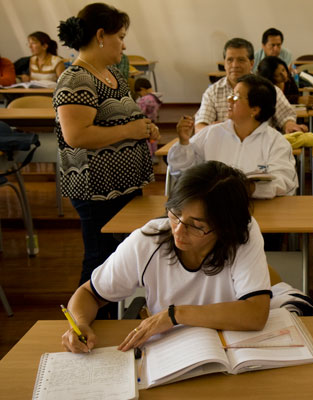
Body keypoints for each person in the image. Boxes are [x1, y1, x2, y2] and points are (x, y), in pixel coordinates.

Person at [61, 161, 271, 353]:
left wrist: (175, 315)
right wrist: (80, 323)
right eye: (175, 214)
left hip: (232, 348)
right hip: (170, 351)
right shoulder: (148, 240)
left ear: (225, 228)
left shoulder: (242, 233)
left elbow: (256, 314)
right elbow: (89, 293)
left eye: (196, 226)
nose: (178, 230)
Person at [56, 3, 158, 297]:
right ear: (101, 35)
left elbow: (122, 119)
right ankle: (82, 319)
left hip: (122, 186)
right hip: (97, 190)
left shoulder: (110, 74)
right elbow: (76, 135)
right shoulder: (77, 78)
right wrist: (130, 131)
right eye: (120, 37)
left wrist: (144, 127)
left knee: (120, 261)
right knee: (99, 261)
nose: (124, 45)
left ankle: (113, 316)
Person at [169, 74, 298, 199]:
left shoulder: (276, 142)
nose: (229, 100)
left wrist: (251, 188)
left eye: (236, 97)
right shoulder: (212, 133)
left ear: (255, 110)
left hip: (258, 207)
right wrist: (184, 143)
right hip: (213, 207)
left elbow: (285, 182)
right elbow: (182, 173)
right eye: (231, 94)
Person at [193, 38, 307, 134]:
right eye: (230, 60)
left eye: (241, 60)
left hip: (261, 148)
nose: (235, 65)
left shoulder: (266, 88)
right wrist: (210, 129)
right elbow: (200, 126)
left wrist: (289, 125)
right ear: (225, 64)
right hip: (223, 148)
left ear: (251, 63)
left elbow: (286, 116)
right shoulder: (213, 92)